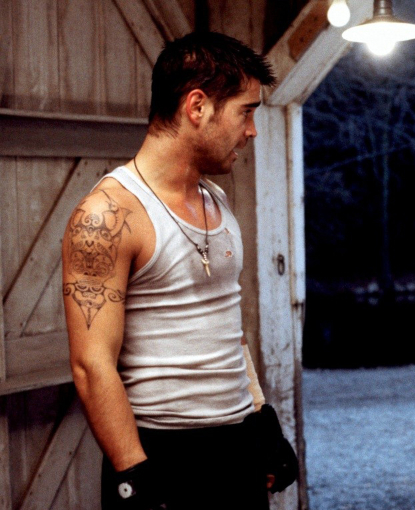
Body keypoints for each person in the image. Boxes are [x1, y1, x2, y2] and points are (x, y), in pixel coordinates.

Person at [62, 31, 282, 509]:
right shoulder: (106, 215)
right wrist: (134, 477)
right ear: (197, 106)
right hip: (160, 456)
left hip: (238, 445)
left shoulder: (215, 200)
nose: (252, 131)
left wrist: (262, 419)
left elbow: (228, 327)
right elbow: (91, 365)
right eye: (246, 112)